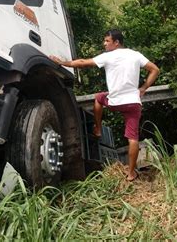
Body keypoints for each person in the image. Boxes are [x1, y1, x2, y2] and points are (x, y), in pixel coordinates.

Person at [50, 29, 160, 181]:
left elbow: (82, 63)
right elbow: (155, 69)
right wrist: (143, 88)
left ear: (116, 42)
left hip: (115, 102)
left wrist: (63, 63)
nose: (104, 44)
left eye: (107, 41)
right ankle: (131, 173)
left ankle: (98, 128)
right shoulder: (136, 55)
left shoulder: (108, 56)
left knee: (99, 98)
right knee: (133, 138)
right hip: (133, 103)